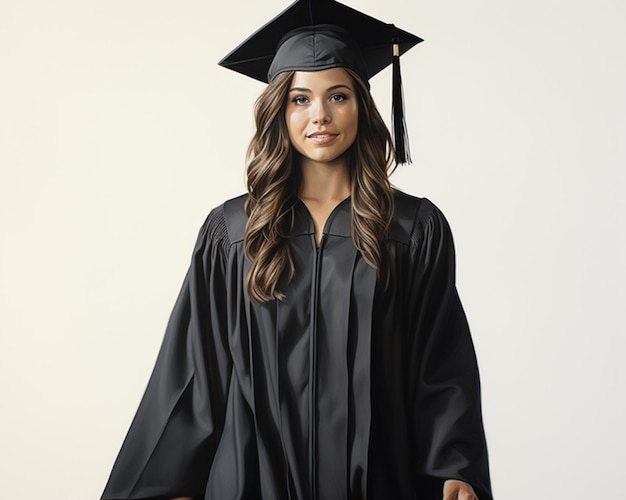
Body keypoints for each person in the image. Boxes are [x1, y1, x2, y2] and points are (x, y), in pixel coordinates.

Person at [101, 1, 493, 499]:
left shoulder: (413, 229)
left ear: (362, 105)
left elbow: (442, 366)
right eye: (300, 99)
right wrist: (174, 485)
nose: (320, 116)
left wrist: (454, 468)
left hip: (378, 484)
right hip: (248, 485)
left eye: (338, 95)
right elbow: (194, 372)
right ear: (279, 112)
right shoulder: (234, 231)